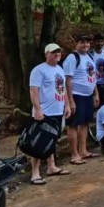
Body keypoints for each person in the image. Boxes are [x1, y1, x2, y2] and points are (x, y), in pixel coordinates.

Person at [28, 43, 72, 185]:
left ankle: (52, 166)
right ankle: (35, 173)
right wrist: (38, 109)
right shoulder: (39, 70)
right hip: (44, 112)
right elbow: (33, 91)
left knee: (52, 140)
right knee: (39, 142)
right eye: (54, 52)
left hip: (58, 111)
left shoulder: (59, 69)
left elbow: (63, 89)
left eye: (59, 52)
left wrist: (67, 105)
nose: (57, 54)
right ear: (47, 54)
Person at [63, 34, 100, 165]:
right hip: (76, 95)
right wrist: (70, 101)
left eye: (88, 43)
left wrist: (96, 93)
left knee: (84, 123)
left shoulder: (89, 56)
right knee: (73, 124)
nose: (85, 45)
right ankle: (74, 154)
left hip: (88, 95)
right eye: (82, 42)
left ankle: (83, 150)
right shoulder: (72, 58)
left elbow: (93, 76)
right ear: (77, 43)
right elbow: (67, 79)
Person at [90, 33, 104, 105]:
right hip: (96, 85)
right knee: (96, 105)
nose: (99, 43)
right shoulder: (90, 54)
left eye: (101, 41)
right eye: (97, 41)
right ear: (93, 42)